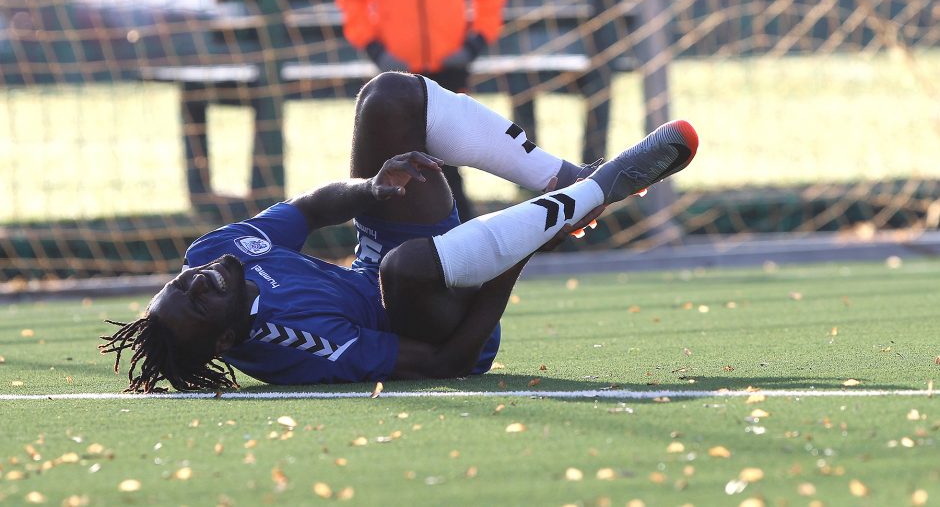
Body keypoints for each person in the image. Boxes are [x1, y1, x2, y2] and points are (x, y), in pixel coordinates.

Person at [99, 72, 697, 393]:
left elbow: (311, 208)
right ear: (227, 338)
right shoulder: (290, 348)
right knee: (403, 269)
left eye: (179, 284)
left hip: (379, 262)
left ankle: (561, 180)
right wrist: (518, 254)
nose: (196, 281)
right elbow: (446, 361)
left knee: (386, 98)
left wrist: (373, 191)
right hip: (446, 321)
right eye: (199, 301)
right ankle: (588, 197)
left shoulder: (214, 252)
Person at [336, 0, 507, 222]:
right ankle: (396, 240)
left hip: (449, 66)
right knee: (397, 157)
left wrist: (474, 43)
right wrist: (375, 48)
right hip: (398, 74)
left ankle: (460, 238)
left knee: (449, 159)